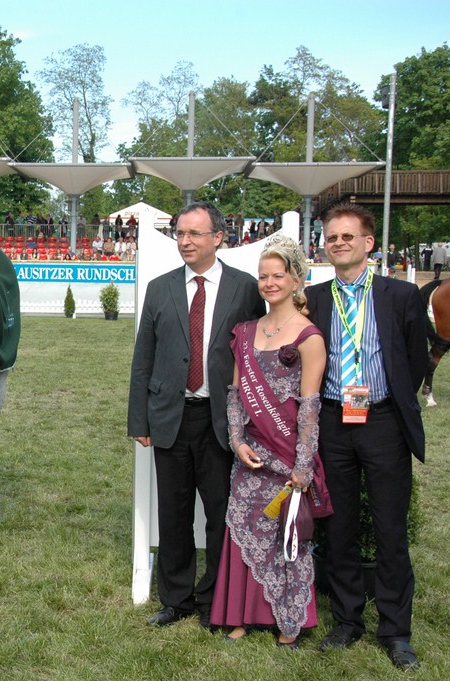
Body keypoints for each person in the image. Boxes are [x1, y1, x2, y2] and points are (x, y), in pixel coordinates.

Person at [128, 201, 266, 629]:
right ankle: (176, 599)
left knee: (220, 514)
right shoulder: (159, 287)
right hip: (169, 417)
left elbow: (258, 355)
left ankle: (215, 600)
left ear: (218, 238)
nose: (184, 242)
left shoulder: (245, 288)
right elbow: (142, 359)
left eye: (193, 234)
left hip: (223, 423)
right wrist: (139, 421)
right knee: (173, 513)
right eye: (179, 234)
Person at [305, 203, 425, 671]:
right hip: (333, 422)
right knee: (339, 527)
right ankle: (348, 619)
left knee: (391, 529)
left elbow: (413, 360)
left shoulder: (400, 295)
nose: (338, 243)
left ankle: (396, 631)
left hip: (382, 422)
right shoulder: (313, 298)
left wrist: (387, 404)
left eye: (347, 237)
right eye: (331, 237)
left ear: (368, 243)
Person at [210, 234, 328, 646]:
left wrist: (302, 467)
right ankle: (238, 614)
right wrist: (237, 440)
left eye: (278, 275)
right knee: (243, 528)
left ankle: (286, 620)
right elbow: (235, 393)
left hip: (288, 455)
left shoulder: (310, 336)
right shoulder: (245, 331)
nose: (269, 283)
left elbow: (311, 407)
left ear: (297, 280)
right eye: (263, 276)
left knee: (284, 536)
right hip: (251, 453)